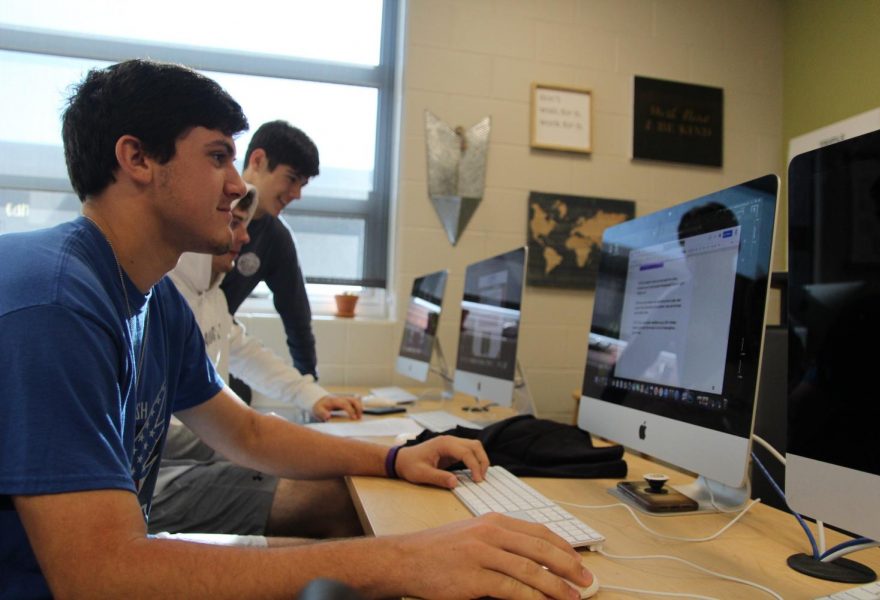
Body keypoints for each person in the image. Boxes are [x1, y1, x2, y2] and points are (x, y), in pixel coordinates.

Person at [0, 59, 592, 599]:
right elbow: (100, 577)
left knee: (359, 552)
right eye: (216, 157)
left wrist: (395, 458)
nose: (238, 186)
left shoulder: (156, 302)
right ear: (136, 159)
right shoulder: (53, 305)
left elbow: (248, 435)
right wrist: (404, 560)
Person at [151, 187, 364, 539]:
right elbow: (185, 435)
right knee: (333, 500)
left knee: (327, 478)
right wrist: (258, 441)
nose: (246, 237)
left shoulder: (211, 296)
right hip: (168, 469)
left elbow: (245, 352)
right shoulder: (164, 297)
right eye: (234, 223)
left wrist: (312, 396)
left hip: (205, 446)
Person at [220, 120, 322, 381]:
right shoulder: (204, 212)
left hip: (216, 346)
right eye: (291, 179)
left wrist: (310, 389)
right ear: (258, 160)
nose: (297, 193)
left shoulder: (276, 238)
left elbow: (297, 315)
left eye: (303, 184)